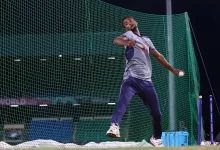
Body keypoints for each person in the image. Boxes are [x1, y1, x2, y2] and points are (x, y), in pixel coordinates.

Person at [106, 16, 184, 147]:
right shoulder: (129, 35)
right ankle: (114, 126)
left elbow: (159, 56)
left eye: (130, 20)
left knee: (157, 114)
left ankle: (156, 138)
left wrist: (172, 69)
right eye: (125, 23)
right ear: (125, 28)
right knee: (122, 103)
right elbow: (117, 40)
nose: (128, 23)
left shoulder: (146, 40)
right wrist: (127, 43)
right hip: (131, 80)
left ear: (135, 22)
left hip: (147, 82)